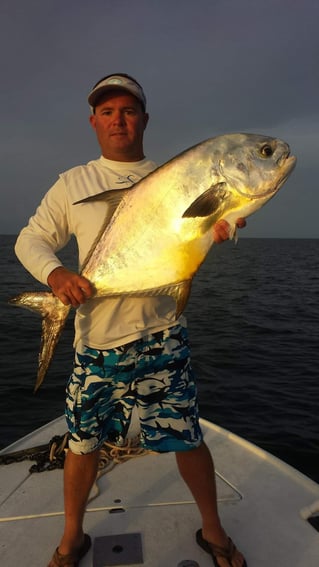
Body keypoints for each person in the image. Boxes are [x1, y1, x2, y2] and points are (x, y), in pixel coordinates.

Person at [15, 74, 247, 567]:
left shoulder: (178, 177)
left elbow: (187, 242)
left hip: (163, 335)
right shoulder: (73, 183)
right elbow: (29, 240)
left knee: (188, 437)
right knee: (81, 445)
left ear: (144, 118)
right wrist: (56, 275)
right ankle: (72, 538)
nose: (118, 119)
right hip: (96, 342)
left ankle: (214, 531)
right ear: (93, 122)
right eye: (107, 111)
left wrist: (217, 228)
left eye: (128, 110)